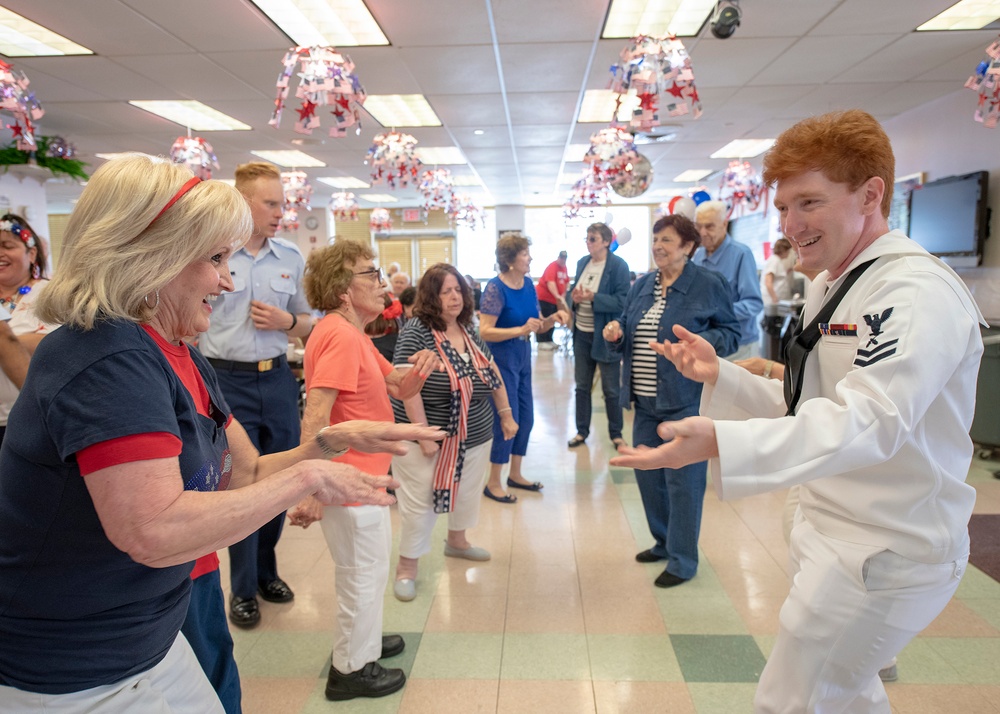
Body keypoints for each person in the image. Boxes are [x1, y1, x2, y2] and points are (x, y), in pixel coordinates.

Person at [0, 155, 436, 712]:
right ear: (150, 256)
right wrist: (308, 475)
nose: (227, 281)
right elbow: (153, 529)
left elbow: (246, 472)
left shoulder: (178, 351)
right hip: (76, 666)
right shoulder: (105, 358)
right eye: (214, 259)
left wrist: (331, 442)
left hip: (147, 640)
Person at [612, 109, 985, 712]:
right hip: (828, 523)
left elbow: (871, 421)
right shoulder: (831, 284)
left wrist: (721, 443)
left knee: (794, 701)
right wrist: (722, 376)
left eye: (809, 203)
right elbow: (811, 406)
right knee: (846, 696)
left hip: (883, 544)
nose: (790, 225)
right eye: (784, 206)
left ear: (870, 195)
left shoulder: (914, 293)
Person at [287, 241, 442, 701]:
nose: (380, 282)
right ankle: (350, 670)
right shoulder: (338, 334)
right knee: (360, 574)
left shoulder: (351, 331)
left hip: (364, 478)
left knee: (370, 572)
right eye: (369, 274)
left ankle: (366, 645)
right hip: (347, 480)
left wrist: (419, 372)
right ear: (341, 291)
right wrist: (311, 486)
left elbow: (395, 382)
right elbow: (316, 412)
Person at [197, 161, 314, 630]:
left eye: (283, 203)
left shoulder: (289, 257)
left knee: (280, 480)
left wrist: (286, 324)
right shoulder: (214, 253)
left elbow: (309, 321)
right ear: (244, 202)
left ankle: (267, 573)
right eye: (271, 203)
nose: (280, 212)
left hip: (279, 379)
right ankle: (242, 588)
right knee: (243, 484)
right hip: (227, 382)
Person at [603, 214, 739, 588]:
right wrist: (616, 334)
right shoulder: (643, 285)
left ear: (687, 246)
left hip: (684, 400)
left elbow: (730, 332)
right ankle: (663, 542)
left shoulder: (708, 284)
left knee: (683, 483)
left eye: (667, 240)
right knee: (648, 475)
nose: (658, 246)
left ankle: (682, 560)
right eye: (655, 239)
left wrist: (697, 346)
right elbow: (630, 333)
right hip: (645, 399)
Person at [390, 263, 518, 601]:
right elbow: (407, 386)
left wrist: (505, 414)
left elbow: (491, 373)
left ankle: (457, 542)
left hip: (475, 433)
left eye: (458, 290)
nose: (454, 297)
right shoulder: (417, 330)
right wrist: (421, 434)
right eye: (445, 291)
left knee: (466, 493)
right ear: (431, 297)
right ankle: (407, 568)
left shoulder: (467, 329)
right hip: (429, 437)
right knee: (420, 506)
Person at [479, 233, 567, 503]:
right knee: (508, 419)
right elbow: (485, 331)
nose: (530, 258)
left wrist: (554, 318)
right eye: (525, 254)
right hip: (501, 357)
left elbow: (537, 325)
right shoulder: (495, 288)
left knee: (526, 418)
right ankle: (493, 482)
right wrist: (519, 329)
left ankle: (515, 474)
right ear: (510, 259)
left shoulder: (529, 284)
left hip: (522, 353)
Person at [567, 222, 630, 451]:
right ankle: (581, 431)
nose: (588, 243)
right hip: (581, 334)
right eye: (586, 238)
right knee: (581, 386)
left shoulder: (618, 266)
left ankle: (617, 434)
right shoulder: (582, 263)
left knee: (611, 389)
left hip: (605, 337)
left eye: (592, 238)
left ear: (605, 241)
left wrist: (594, 297)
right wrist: (573, 298)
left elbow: (623, 300)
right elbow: (572, 293)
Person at [0, 213, 59, 444]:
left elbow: (53, 344)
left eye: (7, 246)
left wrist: (8, 341)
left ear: (31, 253)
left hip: (32, 422)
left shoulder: (50, 294)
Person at [692, 200, 763, 360]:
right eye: (698, 226)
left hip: (739, 345)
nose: (702, 232)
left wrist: (716, 312)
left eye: (709, 226)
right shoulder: (698, 256)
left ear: (724, 225)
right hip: (708, 343)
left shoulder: (741, 254)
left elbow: (754, 304)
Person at [536, 249, 570, 349]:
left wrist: (563, 295)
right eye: (562, 258)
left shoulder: (564, 268)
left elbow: (566, 281)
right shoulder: (553, 266)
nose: (563, 260)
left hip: (555, 301)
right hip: (544, 298)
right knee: (545, 318)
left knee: (553, 319)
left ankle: (549, 339)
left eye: (565, 259)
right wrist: (557, 295)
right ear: (558, 257)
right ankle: (542, 341)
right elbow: (550, 282)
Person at [760, 237, 797, 307]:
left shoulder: (777, 261)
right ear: (783, 250)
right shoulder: (774, 260)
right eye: (788, 251)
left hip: (774, 302)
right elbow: (768, 282)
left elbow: (777, 276)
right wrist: (775, 299)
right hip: (771, 302)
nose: (789, 254)